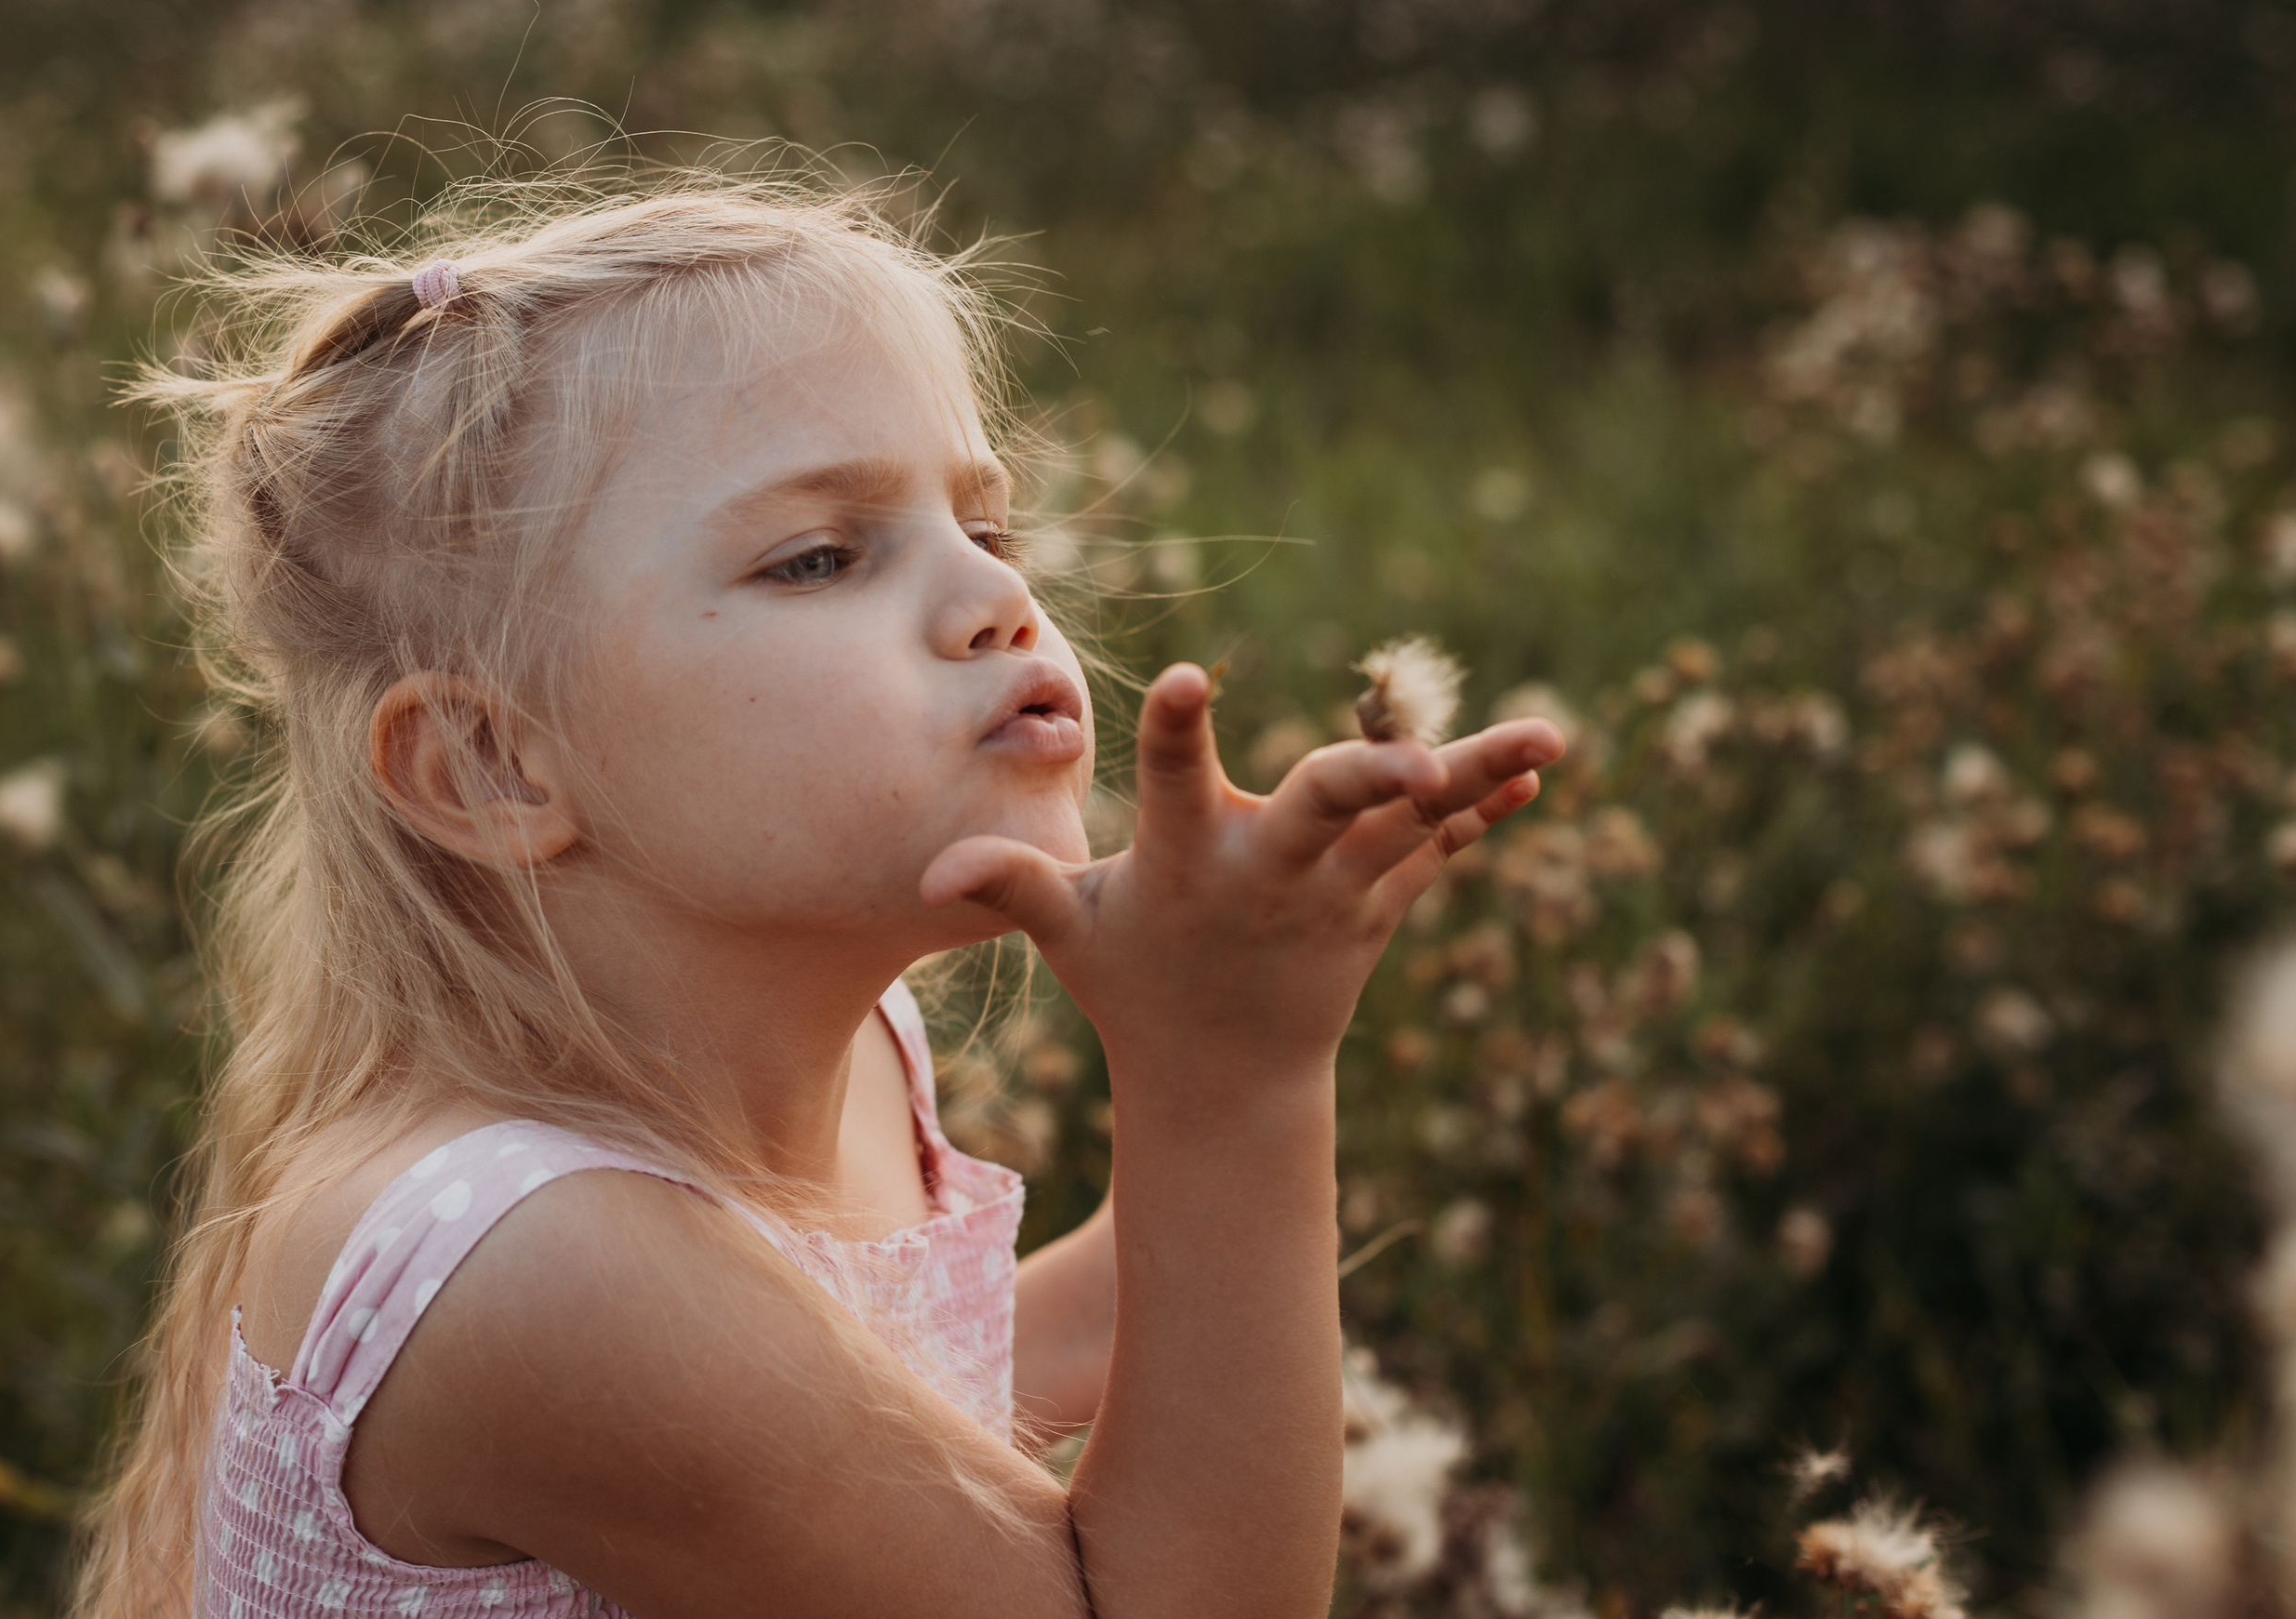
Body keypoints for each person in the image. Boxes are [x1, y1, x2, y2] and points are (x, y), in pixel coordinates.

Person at [75, 171, 1564, 1619]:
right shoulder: (537, 1267)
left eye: (987, 525)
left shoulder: (859, 1050)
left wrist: (1262, 985)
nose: (999, 600)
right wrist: (1230, 1080)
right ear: (489, 764)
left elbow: (910, 1389)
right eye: (819, 557)